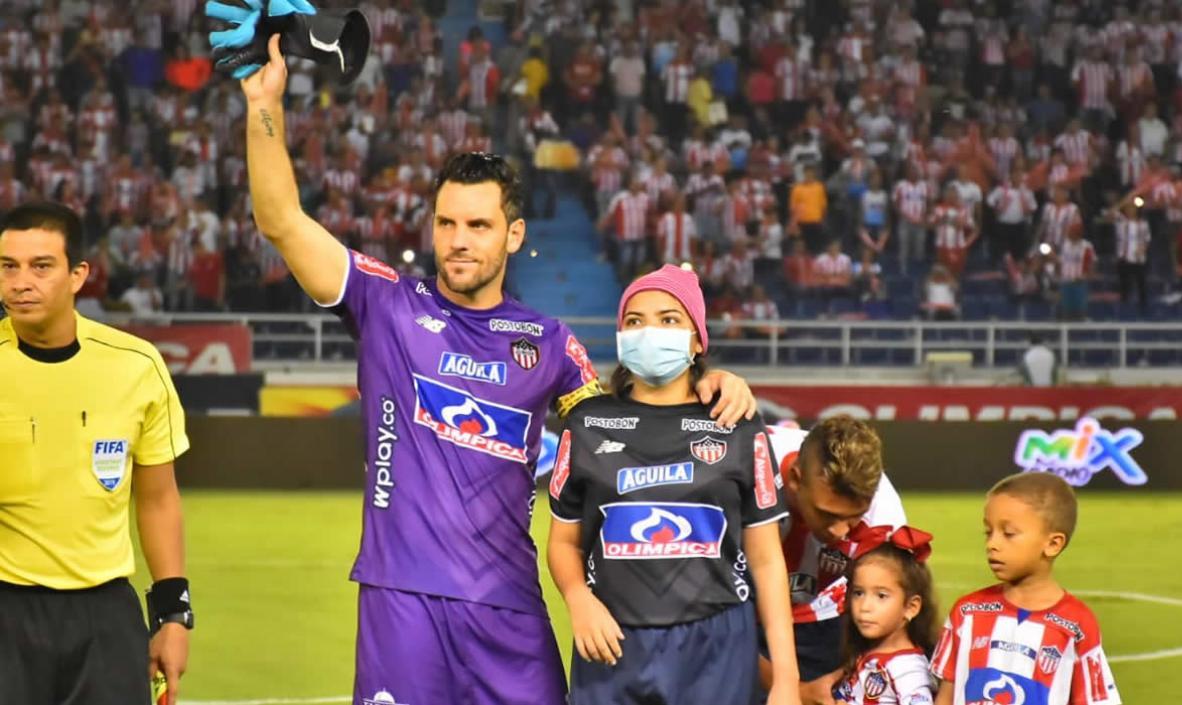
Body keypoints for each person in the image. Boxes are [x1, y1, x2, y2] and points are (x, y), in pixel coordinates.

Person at [237, 35, 756, 705]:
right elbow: (280, 219)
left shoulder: (549, 343)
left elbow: (619, 427)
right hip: (404, 599)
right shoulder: (386, 304)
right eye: (447, 222)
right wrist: (264, 104)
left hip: (509, 607)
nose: (458, 239)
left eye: (478, 225)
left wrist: (709, 380)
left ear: (512, 234)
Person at [548, 265, 799, 705]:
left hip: (717, 646)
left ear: (698, 339)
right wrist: (578, 600)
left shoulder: (737, 424)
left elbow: (766, 561)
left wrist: (786, 679)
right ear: (621, 336)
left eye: (669, 320)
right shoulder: (586, 425)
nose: (650, 333)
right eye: (634, 321)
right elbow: (565, 543)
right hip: (612, 645)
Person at [0, 202, 192, 703]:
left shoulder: (137, 365)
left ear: (78, 274)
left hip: (105, 617)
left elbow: (158, 499)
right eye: (8, 266)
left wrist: (173, 615)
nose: (21, 282)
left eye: (41, 266)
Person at [931, 473, 1121, 705]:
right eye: (988, 532)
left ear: (1052, 544)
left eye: (1008, 533)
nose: (992, 544)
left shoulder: (1076, 625)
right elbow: (945, 695)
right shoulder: (967, 612)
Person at [761, 417, 907, 705]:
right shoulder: (743, 476)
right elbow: (713, 620)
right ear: (795, 479)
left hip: (823, 618)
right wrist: (794, 691)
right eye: (827, 513)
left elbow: (897, 618)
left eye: (852, 516)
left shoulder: (884, 514)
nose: (839, 532)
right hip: (738, 616)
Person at [831, 524, 939, 705]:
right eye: (858, 593)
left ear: (911, 607)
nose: (865, 606)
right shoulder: (865, 651)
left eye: (881, 596)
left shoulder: (908, 669)